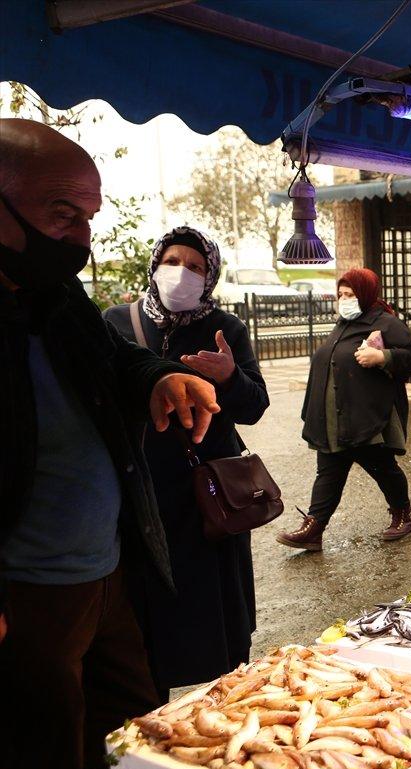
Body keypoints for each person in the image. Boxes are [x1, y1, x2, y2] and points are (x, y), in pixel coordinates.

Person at [0, 119, 219, 769]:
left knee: (131, 739)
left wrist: (159, 376)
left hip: (106, 571)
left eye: (89, 218)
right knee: (42, 762)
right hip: (26, 594)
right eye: (62, 214)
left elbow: (112, 357)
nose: (81, 239)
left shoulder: (55, 294)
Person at [103, 226, 268, 701]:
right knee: (147, 610)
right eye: (173, 262)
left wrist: (231, 377)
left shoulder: (225, 329)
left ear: (210, 276)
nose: (182, 273)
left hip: (206, 494)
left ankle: (229, 700)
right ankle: (150, 706)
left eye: (195, 267)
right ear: (155, 265)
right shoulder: (117, 322)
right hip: (139, 491)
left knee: (217, 609)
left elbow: (254, 406)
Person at [278, 268, 411, 551]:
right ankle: (314, 528)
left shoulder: (385, 322)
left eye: (350, 294)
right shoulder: (343, 323)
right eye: (341, 294)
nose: (344, 300)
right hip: (333, 420)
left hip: (366, 416)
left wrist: (382, 356)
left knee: (383, 469)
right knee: (328, 473)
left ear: (365, 294)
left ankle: (402, 513)